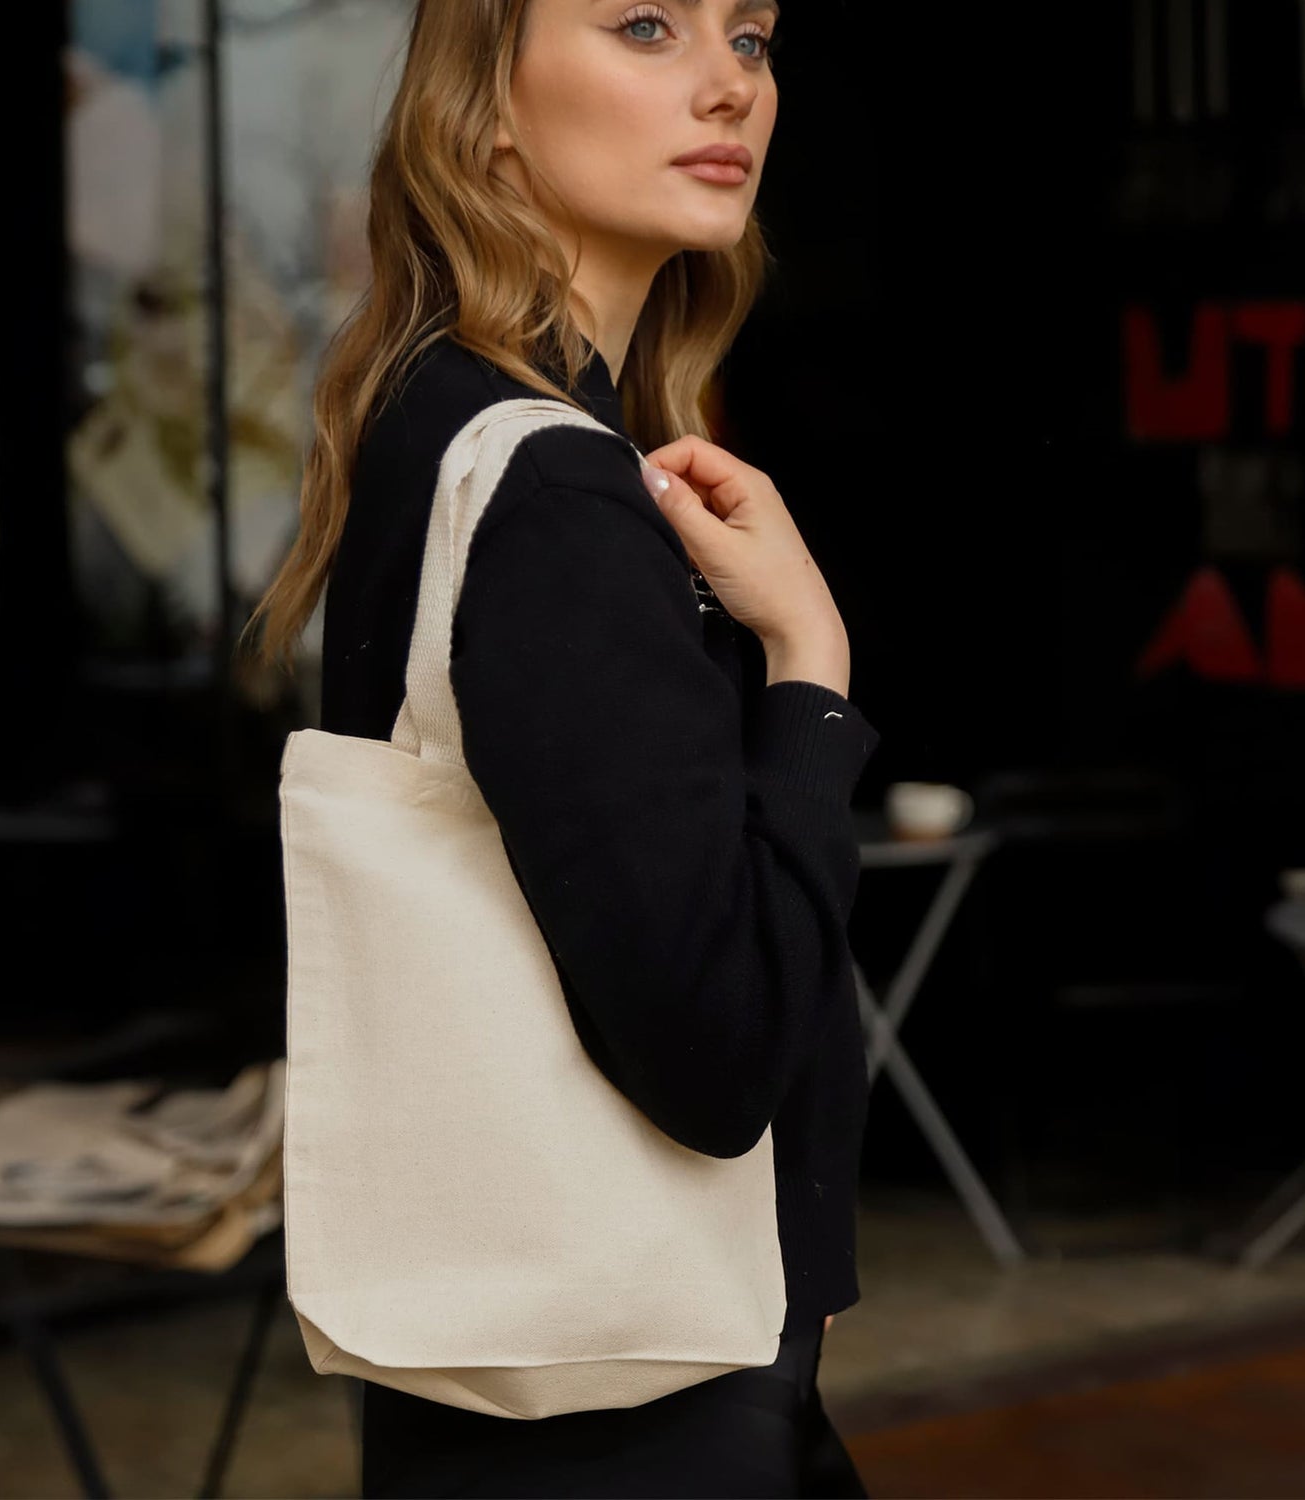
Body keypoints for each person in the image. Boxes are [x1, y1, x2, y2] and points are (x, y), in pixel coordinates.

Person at [245, 0, 880, 1492]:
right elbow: (719, 1054)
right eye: (647, 26)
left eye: (751, 37)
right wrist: (811, 665)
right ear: (484, 109)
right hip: (640, 1410)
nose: (727, 85)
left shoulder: (443, 417)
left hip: (544, 1386)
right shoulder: (552, 492)